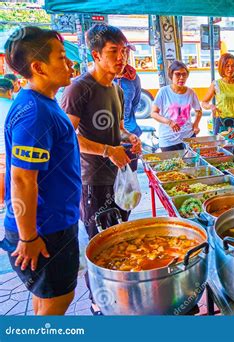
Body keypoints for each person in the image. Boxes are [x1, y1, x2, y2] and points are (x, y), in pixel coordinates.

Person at [61, 24, 141, 314]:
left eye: (123, 51)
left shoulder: (117, 90)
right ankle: (99, 303)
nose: (121, 58)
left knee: (121, 241)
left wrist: (129, 138)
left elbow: (117, 129)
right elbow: (67, 137)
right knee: (100, 245)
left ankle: (119, 297)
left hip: (118, 177)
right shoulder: (78, 89)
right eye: (113, 52)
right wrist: (107, 150)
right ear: (96, 54)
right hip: (92, 180)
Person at [2, 26, 81, 315]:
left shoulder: (43, 102)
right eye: (61, 57)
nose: (69, 63)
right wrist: (28, 238)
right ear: (38, 67)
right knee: (55, 304)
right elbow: (22, 178)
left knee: (44, 299)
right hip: (45, 232)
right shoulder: (35, 112)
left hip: (49, 227)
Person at [151, 60, 202, 151]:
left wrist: (195, 125)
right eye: (177, 74)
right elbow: (154, 113)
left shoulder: (191, 92)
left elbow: (198, 111)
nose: (181, 78)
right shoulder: (163, 92)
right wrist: (169, 122)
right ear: (171, 75)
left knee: (191, 164)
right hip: (168, 140)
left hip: (188, 137)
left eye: (184, 74)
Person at [201, 53, 234, 134]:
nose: (230, 69)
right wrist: (211, 106)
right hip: (221, 123)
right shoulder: (216, 84)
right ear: (222, 67)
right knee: (221, 146)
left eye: (233, 65)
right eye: (227, 66)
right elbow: (204, 102)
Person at [115, 48, 142, 171]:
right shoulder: (100, 81)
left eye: (126, 52)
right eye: (118, 51)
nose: (123, 56)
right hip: (110, 141)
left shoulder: (133, 77)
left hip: (130, 131)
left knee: (131, 178)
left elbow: (135, 103)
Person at [0, 78, 14, 213]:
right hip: (7, 149)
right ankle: (3, 203)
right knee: (5, 174)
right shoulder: (13, 106)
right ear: (10, 91)